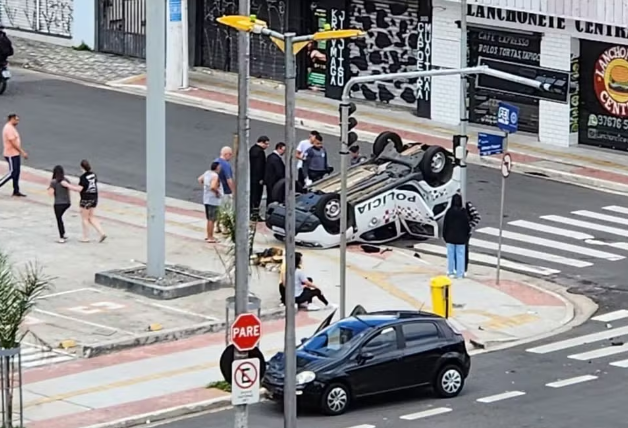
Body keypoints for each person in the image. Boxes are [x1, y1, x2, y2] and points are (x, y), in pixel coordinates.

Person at [47, 165, 78, 243]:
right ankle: (63, 233)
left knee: (59, 220)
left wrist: (49, 189)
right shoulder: (66, 180)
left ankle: (61, 236)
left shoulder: (53, 182)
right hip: (67, 202)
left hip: (58, 203)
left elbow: (51, 193)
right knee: (60, 218)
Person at [77, 159, 106, 243]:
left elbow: (80, 188)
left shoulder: (83, 178)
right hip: (94, 197)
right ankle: (102, 232)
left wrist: (69, 186)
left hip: (86, 199)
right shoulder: (93, 175)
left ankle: (85, 237)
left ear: (82, 167)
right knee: (91, 217)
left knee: (85, 218)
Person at [442, 193, 470, 279]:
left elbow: (445, 225)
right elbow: (467, 225)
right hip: (461, 238)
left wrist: (445, 236)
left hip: (450, 237)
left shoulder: (449, 212)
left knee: (450, 255)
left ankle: (451, 272)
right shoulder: (463, 212)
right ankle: (460, 273)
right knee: (460, 255)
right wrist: (466, 236)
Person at [0, 114, 27, 197]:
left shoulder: (12, 128)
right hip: (10, 154)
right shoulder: (8, 128)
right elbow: (13, 143)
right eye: (16, 120)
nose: (17, 122)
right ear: (11, 119)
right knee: (12, 172)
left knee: (17, 172)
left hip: (15, 154)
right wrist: (22, 152)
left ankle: (16, 190)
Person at [198, 161, 222, 243]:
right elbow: (213, 187)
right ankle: (210, 237)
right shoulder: (215, 176)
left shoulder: (207, 173)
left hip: (206, 199)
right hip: (213, 200)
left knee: (209, 219)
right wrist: (217, 192)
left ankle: (209, 235)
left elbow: (200, 179)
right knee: (212, 219)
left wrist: (206, 186)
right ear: (217, 168)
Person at [214, 146, 234, 233]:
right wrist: (233, 191)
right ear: (227, 154)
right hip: (225, 190)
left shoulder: (215, 161)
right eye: (230, 155)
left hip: (217, 190)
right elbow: (229, 179)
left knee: (218, 208)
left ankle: (217, 226)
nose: (231, 157)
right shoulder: (226, 165)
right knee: (226, 209)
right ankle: (224, 227)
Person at [249, 136, 269, 219]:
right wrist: (261, 178)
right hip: (257, 179)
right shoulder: (260, 152)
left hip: (252, 177)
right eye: (266, 144)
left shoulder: (252, 149)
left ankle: (250, 211)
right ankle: (254, 214)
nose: (267, 146)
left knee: (252, 194)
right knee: (257, 196)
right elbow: (259, 167)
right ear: (261, 142)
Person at [464, 197, 481, 274]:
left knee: (464, 250)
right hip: (455, 233)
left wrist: (469, 226)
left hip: (466, 233)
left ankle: (464, 268)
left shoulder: (467, 205)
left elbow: (477, 217)